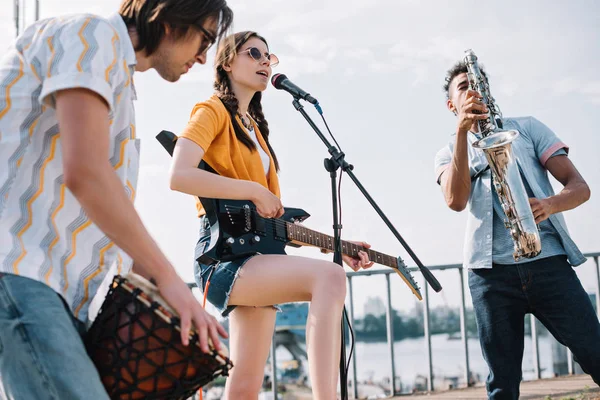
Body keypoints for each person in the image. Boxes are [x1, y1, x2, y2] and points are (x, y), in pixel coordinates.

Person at [0, 0, 232, 398]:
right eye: (205, 38)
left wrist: (165, 294)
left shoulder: (117, 76)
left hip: (55, 288)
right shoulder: (91, 37)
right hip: (20, 269)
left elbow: (101, 205)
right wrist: (170, 281)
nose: (203, 56)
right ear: (172, 20)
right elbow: (87, 174)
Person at [169, 31, 374, 400]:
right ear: (227, 63)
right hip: (224, 257)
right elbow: (179, 175)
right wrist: (252, 189)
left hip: (258, 256)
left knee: (245, 386)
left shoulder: (257, 131)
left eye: (269, 56)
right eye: (254, 54)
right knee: (330, 279)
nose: (266, 62)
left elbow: (269, 222)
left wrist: (338, 245)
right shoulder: (211, 110)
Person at [435, 60, 600, 399]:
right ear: (452, 105)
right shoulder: (448, 151)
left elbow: (579, 187)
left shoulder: (528, 128)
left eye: (477, 82)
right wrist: (465, 133)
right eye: (463, 86)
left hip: (548, 262)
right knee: (502, 385)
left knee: (596, 353)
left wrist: (549, 205)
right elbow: (454, 200)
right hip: (490, 277)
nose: (472, 89)